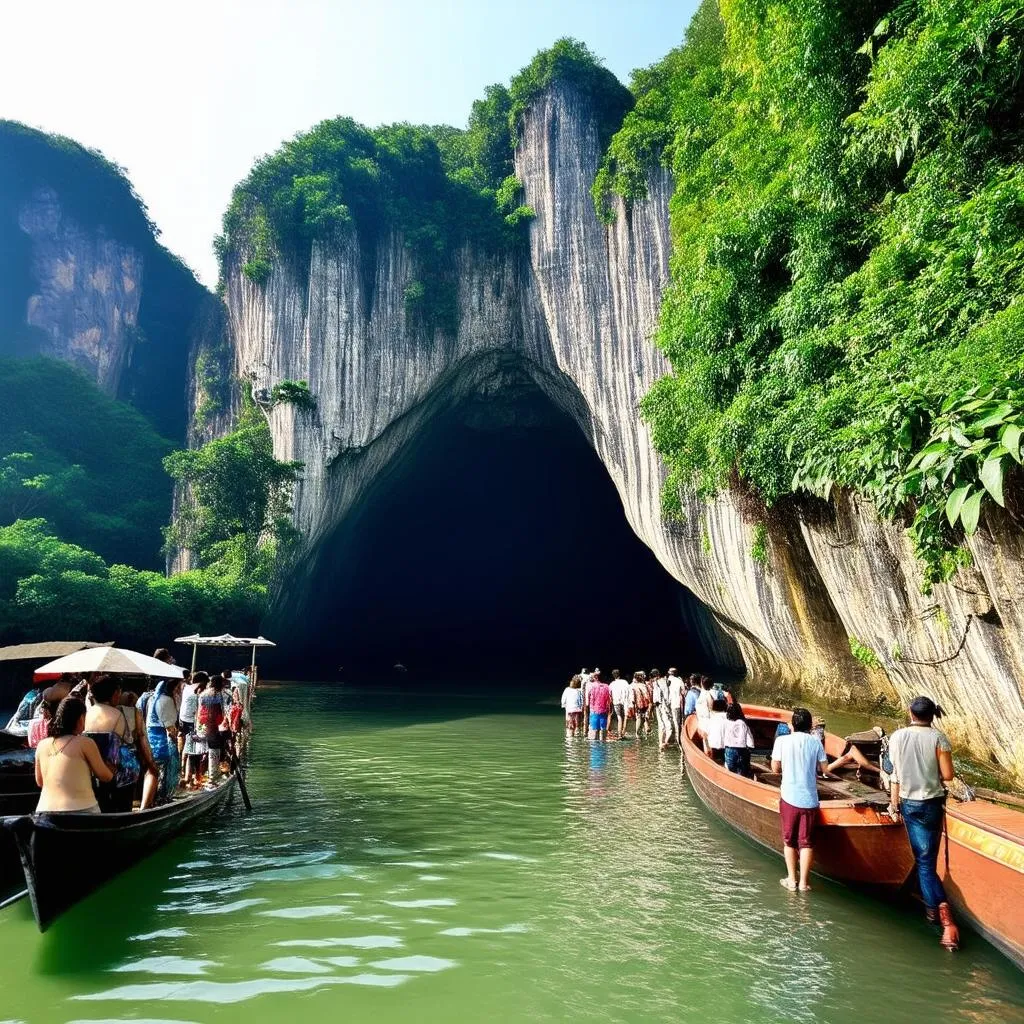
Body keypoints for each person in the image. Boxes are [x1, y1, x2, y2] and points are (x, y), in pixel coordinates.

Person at [888, 696, 959, 951]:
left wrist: (894, 806)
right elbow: (948, 775)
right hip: (932, 803)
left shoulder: (897, 737)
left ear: (910, 713)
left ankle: (940, 917)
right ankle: (938, 913)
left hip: (909, 803)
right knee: (928, 861)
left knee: (924, 863)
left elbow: (894, 775)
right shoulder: (939, 738)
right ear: (932, 715)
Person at [771, 707, 828, 892]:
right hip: (810, 799)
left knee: (789, 841)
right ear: (810, 725)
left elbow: (775, 769)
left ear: (792, 725)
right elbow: (824, 768)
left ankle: (791, 880)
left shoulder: (782, 741)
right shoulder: (816, 742)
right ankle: (804, 883)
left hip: (789, 797)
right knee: (806, 842)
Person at [84, 674, 159, 811]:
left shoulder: (89, 712)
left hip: (94, 768)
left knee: (104, 804)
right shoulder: (117, 714)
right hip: (119, 772)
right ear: (112, 694)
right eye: (118, 692)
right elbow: (114, 749)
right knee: (122, 805)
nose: (119, 695)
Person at [34, 697, 114, 813]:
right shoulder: (85, 743)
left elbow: (40, 782)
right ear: (81, 719)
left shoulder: (42, 745)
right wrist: (112, 769)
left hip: (45, 813)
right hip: (82, 811)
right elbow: (105, 776)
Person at [146, 678, 181, 803]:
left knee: (154, 770)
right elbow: (170, 728)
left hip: (152, 739)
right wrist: (176, 741)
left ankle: (154, 798)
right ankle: (160, 798)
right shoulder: (166, 701)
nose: (179, 690)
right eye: (177, 687)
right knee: (162, 772)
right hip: (160, 741)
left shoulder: (154, 698)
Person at [197, 675, 227, 787]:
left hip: (202, 726)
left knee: (202, 752)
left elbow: (199, 711)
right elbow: (222, 713)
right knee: (214, 753)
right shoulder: (219, 695)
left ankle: (199, 776)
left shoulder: (203, 694)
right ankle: (212, 778)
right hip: (213, 728)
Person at [723, 702, 755, 777]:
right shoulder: (742, 723)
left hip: (729, 749)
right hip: (741, 750)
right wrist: (751, 746)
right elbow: (750, 740)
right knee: (742, 771)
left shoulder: (726, 722)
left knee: (731, 770)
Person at [651, 669, 673, 750]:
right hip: (664, 705)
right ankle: (666, 742)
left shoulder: (654, 683)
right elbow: (666, 695)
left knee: (661, 725)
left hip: (658, 706)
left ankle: (661, 743)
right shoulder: (663, 682)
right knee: (668, 725)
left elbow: (655, 698)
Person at [587, 671, 611, 742]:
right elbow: (609, 699)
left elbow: (587, 700)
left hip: (594, 711)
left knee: (595, 731)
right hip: (604, 711)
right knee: (603, 730)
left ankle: (596, 746)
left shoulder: (591, 686)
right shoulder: (607, 686)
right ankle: (603, 745)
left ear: (596, 678)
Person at [609, 670, 632, 740]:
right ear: (619, 674)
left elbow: (610, 694)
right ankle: (623, 732)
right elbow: (629, 691)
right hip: (625, 701)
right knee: (625, 716)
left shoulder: (612, 684)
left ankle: (619, 734)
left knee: (619, 717)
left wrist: (611, 702)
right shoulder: (625, 682)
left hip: (616, 702)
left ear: (613, 676)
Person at [630, 672, 651, 740]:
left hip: (638, 705)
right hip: (645, 705)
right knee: (644, 718)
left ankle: (638, 735)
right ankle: (646, 733)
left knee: (639, 719)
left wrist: (632, 708)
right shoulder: (644, 685)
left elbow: (632, 699)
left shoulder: (633, 686)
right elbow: (647, 697)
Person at [695, 677, 714, 748]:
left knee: (707, 742)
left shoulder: (708, 695)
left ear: (702, 684)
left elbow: (711, 709)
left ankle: (708, 755)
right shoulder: (703, 693)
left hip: (706, 720)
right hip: (702, 720)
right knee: (705, 741)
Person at [667, 668, 685, 745]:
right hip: (675, 704)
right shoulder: (679, 681)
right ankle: (677, 740)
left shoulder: (667, 680)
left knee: (672, 722)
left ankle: (673, 740)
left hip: (670, 704)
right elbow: (683, 692)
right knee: (677, 722)